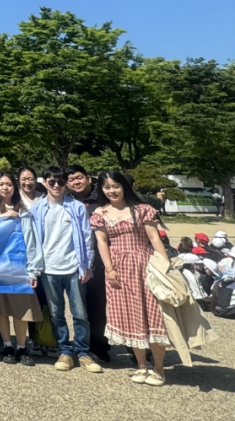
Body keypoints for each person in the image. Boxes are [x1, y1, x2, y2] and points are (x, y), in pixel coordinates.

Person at [90, 170, 170, 386]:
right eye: (107, 187)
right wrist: (109, 269)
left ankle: (159, 368)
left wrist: (165, 266)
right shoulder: (100, 213)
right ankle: (141, 366)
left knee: (153, 316)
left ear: (124, 186)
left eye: (115, 186)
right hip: (118, 269)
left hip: (144, 263)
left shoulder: (142, 209)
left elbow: (154, 238)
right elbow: (102, 242)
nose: (112, 191)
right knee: (129, 317)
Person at [30, 166, 102, 374]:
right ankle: (64, 351)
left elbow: (87, 237)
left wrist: (86, 265)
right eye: (52, 182)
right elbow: (32, 238)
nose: (56, 185)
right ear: (44, 183)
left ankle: (83, 352)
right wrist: (33, 269)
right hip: (48, 268)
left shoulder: (76, 207)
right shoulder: (37, 208)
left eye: (60, 182)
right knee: (56, 313)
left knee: (80, 313)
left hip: (73, 267)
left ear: (66, 184)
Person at [0, 172, 43, 366]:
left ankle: (21, 347)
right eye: (1, 184)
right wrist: (1, 217)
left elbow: (32, 241)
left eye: (9, 184)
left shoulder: (24, 210)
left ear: (15, 187)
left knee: (22, 308)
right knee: (1, 308)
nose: (5, 188)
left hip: (19, 265)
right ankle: (7, 346)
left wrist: (33, 270)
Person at [66, 164, 112, 362]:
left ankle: (99, 345)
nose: (76, 182)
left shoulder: (102, 198)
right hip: (72, 260)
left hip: (99, 260)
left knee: (98, 304)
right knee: (79, 305)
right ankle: (83, 343)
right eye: (71, 179)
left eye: (79, 177)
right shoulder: (65, 200)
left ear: (88, 179)